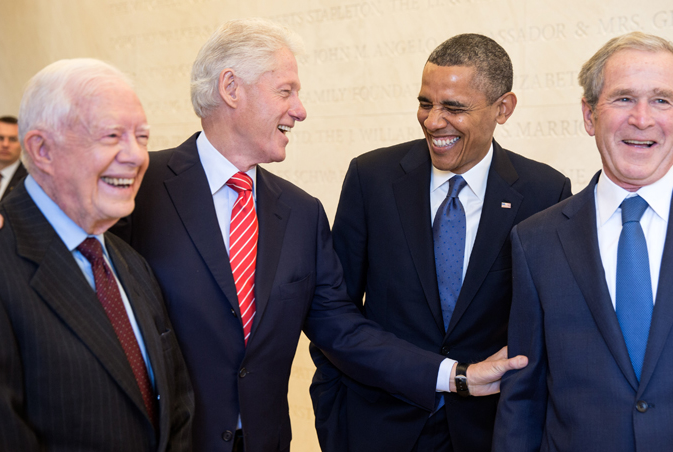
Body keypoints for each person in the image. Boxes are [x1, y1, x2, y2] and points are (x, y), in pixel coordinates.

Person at [105, 19, 521, 452]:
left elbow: (341, 329)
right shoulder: (138, 188)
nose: (300, 110)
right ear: (231, 88)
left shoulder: (301, 213)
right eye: (286, 91)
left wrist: (456, 376)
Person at [309, 33, 673, 452]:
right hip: (376, 427)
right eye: (425, 103)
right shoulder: (371, 177)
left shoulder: (545, 192)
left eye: (454, 108)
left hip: (488, 433)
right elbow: (332, 313)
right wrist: (331, 409)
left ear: (503, 108)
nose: (434, 121)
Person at [492, 32, 673, 452]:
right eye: (623, 98)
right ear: (589, 115)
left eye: (661, 100)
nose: (642, 119)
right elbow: (523, 401)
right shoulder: (536, 241)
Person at [0, 59, 194, 451]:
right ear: (42, 149)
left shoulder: (131, 264)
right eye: (112, 135)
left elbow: (176, 408)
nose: (136, 156)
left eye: (142, 137)